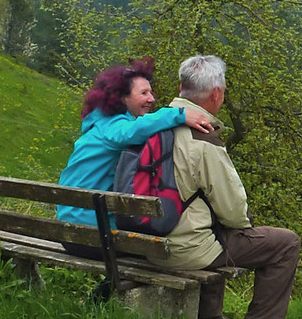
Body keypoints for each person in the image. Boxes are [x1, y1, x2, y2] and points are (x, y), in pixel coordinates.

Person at [159, 55, 302, 319]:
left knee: (209, 225)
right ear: (216, 94)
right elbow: (233, 210)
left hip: (146, 239)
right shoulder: (203, 139)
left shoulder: (155, 123)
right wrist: (244, 222)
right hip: (182, 248)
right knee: (284, 242)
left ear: (181, 87)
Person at [55, 58, 213, 255]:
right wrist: (179, 115)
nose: (151, 99)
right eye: (143, 93)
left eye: (151, 92)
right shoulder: (113, 128)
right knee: (168, 248)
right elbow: (134, 131)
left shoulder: (99, 123)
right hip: (90, 234)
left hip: (71, 229)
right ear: (122, 98)